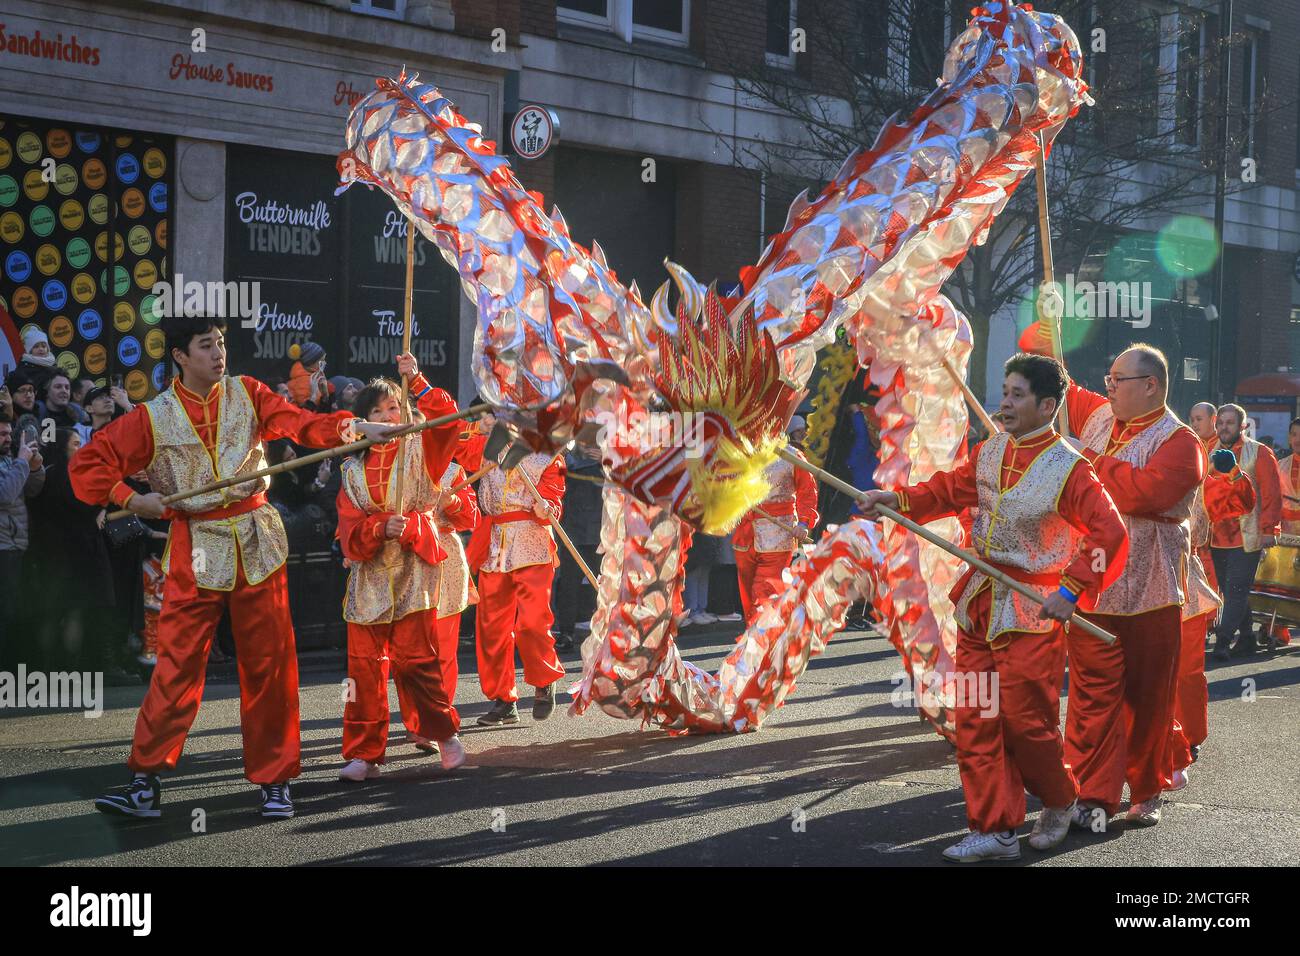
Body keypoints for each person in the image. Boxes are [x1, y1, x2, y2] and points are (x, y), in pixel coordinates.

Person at [69, 314, 397, 820]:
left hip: (256, 540)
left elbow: (301, 424)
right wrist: (132, 501)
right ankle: (144, 782)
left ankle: (276, 781)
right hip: (195, 547)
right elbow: (87, 464)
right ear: (180, 356)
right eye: (206, 345)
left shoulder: (249, 392)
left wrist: (357, 427)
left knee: (270, 665)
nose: (219, 353)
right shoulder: (152, 417)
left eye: (221, 343)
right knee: (176, 667)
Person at [859, 354, 1128, 862]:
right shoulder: (990, 452)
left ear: (1048, 405)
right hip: (980, 603)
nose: (1005, 402)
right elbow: (950, 489)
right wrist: (896, 500)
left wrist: (1071, 591)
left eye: (1017, 394)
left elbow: (1109, 533)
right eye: (1004, 390)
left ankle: (1059, 798)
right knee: (976, 714)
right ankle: (995, 828)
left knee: (1029, 723)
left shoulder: (1069, 468)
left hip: (1033, 611)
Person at [1048, 344, 1204, 829]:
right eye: (1109, 379)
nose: (1108, 387)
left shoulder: (1181, 442)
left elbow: (1144, 492)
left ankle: (1147, 787)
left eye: (1118, 380)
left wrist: (1082, 462)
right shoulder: (1098, 415)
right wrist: (1048, 331)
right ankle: (1092, 794)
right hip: (1091, 584)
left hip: (1151, 591)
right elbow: (1061, 385)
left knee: (1148, 698)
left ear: (1151, 385)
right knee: (1091, 699)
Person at [334, 354, 467, 779]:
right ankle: (364, 754)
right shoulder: (351, 470)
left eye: (396, 407)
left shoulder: (423, 447)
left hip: (414, 570)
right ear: (364, 422)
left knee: (417, 660)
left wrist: (419, 380)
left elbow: (449, 420)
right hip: (369, 578)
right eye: (378, 411)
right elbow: (349, 529)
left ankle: (444, 734)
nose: (390, 416)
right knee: (363, 668)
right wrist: (375, 528)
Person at [1168, 444, 1255, 787]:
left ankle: (1187, 737)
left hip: (1186, 585)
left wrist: (1232, 472)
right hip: (1137, 584)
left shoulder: (1202, 485)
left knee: (1187, 670)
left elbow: (1242, 501)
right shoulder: (1133, 477)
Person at [463, 445, 568, 726]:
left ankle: (545, 680)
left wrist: (548, 507)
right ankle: (504, 699)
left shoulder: (549, 456)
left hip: (531, 542)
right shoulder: (486, 450)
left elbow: (553, 497)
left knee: (532, 622)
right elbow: (458, 445)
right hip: (494, 544)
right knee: (492, 628)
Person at [25, 428, 117, 671]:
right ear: (63, 447)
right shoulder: (65, 476)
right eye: (76, 444)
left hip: (56, 554)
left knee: (57, 614)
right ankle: (64, 669)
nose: (82, 448)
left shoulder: (49, 473)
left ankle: (49, 668)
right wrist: (102, 505)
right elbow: (83, 505)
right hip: (69, 555)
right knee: (68, 613)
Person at [1209, 403, 1282, 659]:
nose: (1223, 428)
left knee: (1237, 589)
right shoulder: (1210, 451)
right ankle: (1248, 638)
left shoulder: (1260, 453)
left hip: (1247, 535)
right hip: (1216, 537)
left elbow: (1271, 493)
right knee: (1231, 591)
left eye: (1229, 423)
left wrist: (1269, 529)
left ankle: (1222, 641)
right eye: (1220, 423)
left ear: (1242, 426)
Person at [732, 418, 819, 624]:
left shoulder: (791, 456)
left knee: (764, 593)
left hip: (778, 535)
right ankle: (758, 641)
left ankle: (760, 644)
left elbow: (808, 491)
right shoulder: (739, 453)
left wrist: (804, 523)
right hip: (745, 536)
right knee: (747, 595)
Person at [0, 418, 45, 664]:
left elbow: (32, 490)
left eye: (9, 433)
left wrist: (36, 467)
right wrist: (22, 461)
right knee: (5, 613)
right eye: (2, 434)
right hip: (3, 548)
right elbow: (5, 495)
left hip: (16, 546)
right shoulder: (15, 460)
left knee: (14, 612)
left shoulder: (10, 460)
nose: (8, 438)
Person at [553, 441, 603, 647]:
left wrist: (608, 460)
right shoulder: (564, 458)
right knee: (568, 584)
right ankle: (566, 632)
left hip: (598, 530)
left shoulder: (607, 456)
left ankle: (604, 631)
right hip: (571, 529)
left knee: (602, 584)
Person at [287, 340, 330, 408]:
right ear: (311, 362)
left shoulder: (310, 377)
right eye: (321, 360)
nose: (324, 363)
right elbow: (306, 408)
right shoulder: (304, 380)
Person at [1281, 418, 1300, 537]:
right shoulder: (1279, 465)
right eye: (1294, 435)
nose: (1298, 440)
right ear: (1289, 438)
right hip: (1286, 535)